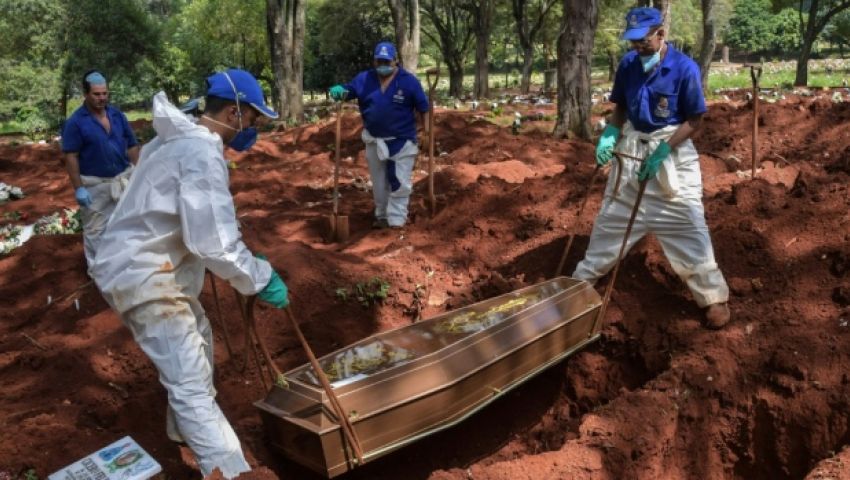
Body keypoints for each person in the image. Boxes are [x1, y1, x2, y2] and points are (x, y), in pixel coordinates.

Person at [89, 69, 289, 478]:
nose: (251, 129)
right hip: (146, 275)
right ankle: (233, 471)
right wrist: (260, 277)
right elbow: (214, 242)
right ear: (234, 113)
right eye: (252, 120)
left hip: (147, 265)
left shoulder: (175, 140)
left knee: (200, 336)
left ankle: (182, 435)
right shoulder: (200, 153)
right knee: (191, 385)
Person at [573, 7, 731, 329]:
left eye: (643, 41)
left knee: (689, 224)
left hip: (670, 152)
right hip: (632, 150)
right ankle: (581, 282)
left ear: (661, 35)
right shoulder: (629, 65)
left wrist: (662, 151)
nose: (637, 48)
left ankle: (712, 296)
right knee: (610, 220)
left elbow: (695, 120)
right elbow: (620, 109)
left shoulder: (684, 68)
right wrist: (609, 136)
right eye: (632, 42)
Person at [329, 41, 430, 229]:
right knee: (379, 182)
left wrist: (427, 132)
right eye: (379, 62)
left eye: (387, 62)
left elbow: (424, 109)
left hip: (402, 140)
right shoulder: (364, 79)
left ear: (396, 61)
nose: (382, 66)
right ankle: (382, 216)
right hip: (374, 140)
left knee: (399, 181)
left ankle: (397, 221)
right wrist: (340, 91)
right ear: (374, 61)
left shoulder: (408, 82)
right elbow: (349, 90)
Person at [61, 70, 140, 265]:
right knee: (96, 231)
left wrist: (140, 171)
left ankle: (121, 266)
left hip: (122, 180)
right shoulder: (76, 122)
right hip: (94, 185)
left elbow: (131, 145)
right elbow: (71, 156)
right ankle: (98, 272)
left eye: (105, 93)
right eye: (97, 94)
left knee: (125, 225)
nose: (102, 98)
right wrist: (78, 187)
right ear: (86, 94)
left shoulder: (117, 116)